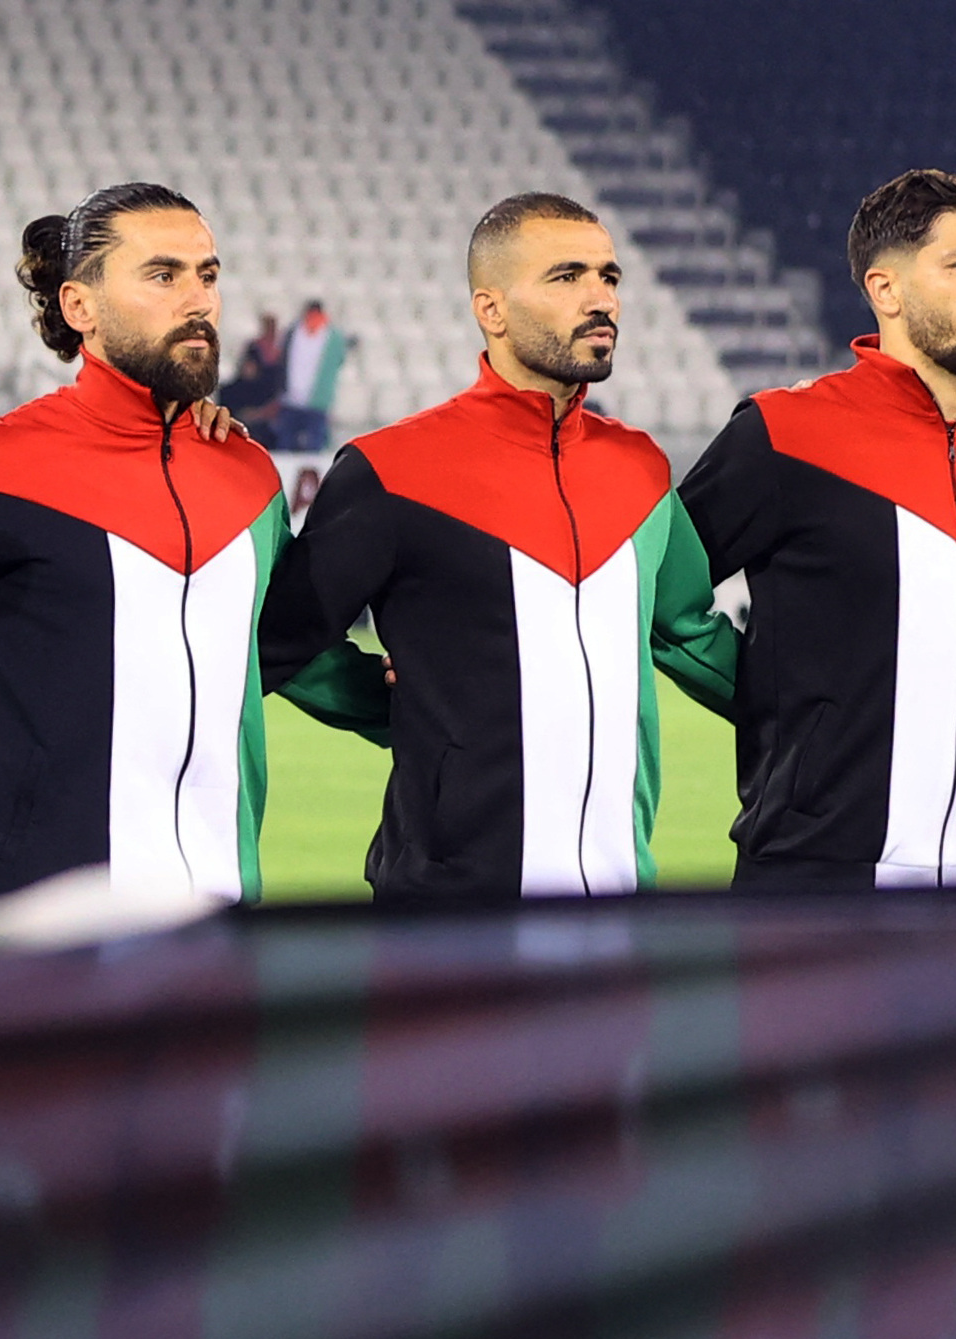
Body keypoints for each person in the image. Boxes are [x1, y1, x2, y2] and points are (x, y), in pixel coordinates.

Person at [262, 192, 738, 901]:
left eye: (608, 277)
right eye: (566, 276)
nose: (599, 297)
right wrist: (389, 704)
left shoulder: (639, 467)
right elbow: (279, 643)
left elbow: (692, 635)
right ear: (491, 310)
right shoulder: (391, 470)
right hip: (447, 914)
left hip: (621, 906)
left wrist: (832, 708)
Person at [0, 182, 292, 903]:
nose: (199, 300)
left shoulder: (248, 473)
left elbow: (284, 644)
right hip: (35, 931)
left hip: (220, 928)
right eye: (163, 275)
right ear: (79, 307)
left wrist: (410, 699)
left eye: (208, 274)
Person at [676, 168, 956, 892]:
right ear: (886, 291)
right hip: (817, 878)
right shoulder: (783, 433)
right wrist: (766, 697)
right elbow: (659, 596)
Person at [284, 299, 351, 451]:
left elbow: (338, 361)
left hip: (318, 401)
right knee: (287, 445)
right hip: (291, 398)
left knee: (315, 445)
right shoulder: (294, 332)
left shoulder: (333, 337)